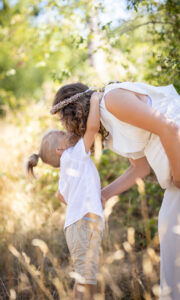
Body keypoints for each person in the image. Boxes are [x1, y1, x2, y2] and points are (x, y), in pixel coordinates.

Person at [51, 81, 180, 299]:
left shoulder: (112, 100)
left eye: (65, 121)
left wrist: (178, 176)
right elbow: (140, 168)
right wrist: (104, 195)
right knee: (171, 234)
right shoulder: (109, 132)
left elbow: (169, 128)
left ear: (74, 112)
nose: (67, 128)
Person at [27, 91, 104, 300]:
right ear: (61, 149)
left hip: (77, 225)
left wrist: (82, 200)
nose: (68, 131)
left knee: (87, 279)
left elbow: (61, 196)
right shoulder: (75, 154)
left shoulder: (67, 169)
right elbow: (93, 128)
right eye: (63, 134)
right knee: (86, 281)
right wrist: (96, 99)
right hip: (85, 223)